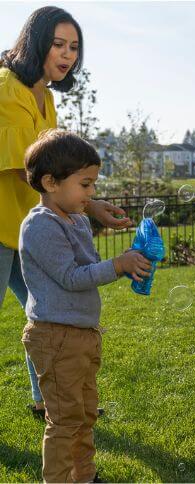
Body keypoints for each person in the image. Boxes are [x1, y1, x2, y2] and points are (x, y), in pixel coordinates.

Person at [1, 6, 131, 418]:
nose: (67, 54)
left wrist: (86, 203)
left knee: (47, 317)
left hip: (27, 229)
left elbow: (56, 168)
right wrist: (88, 206)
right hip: (2, 227)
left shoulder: (46, 97)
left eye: (74, 47)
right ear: (35, 41)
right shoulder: (6, 87)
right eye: (58, 44)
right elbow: (32, 171)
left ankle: (48, 400)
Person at [19, 130, 151, 482]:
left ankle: (85, 476)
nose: (91, 194)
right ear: (50, 182)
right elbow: (71, 277)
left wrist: (128, 267)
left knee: (85, 413)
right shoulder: (39, 226)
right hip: (55, 336)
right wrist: (117, 265)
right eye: (86, 185)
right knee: (64, 420)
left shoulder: (76, 218)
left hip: (81, 334)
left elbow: (88, 270)